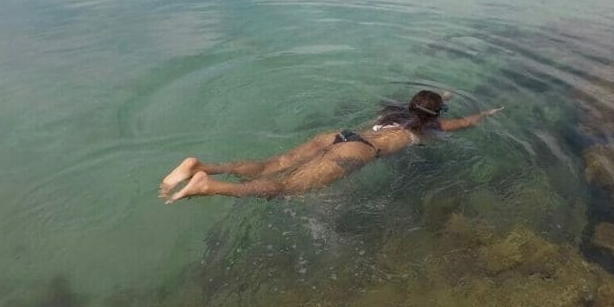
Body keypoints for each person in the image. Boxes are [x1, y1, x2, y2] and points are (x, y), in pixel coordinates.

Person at [159, 90, 502, 203]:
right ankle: (209, 186)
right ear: (435, 114)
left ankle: (203, 166)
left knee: (271, 165)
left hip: (340, 135)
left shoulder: (396, 112)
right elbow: (465, 123)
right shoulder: (430, 127)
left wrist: (442, 96)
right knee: (285, 188)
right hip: (361, 151)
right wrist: (488, 112)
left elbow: (426, 105)